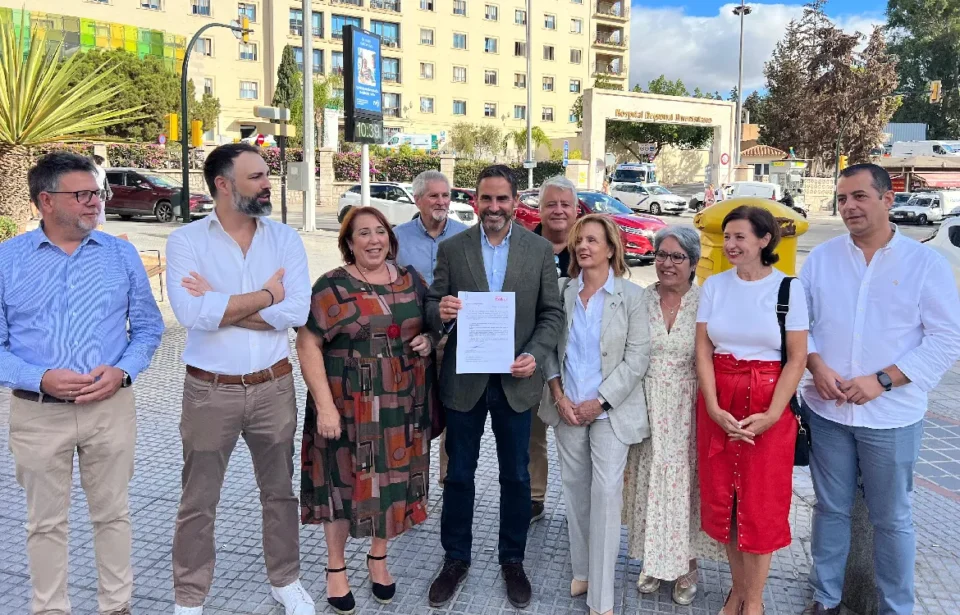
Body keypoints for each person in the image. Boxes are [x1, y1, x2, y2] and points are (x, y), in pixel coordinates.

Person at [1, 152, 164, 615]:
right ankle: (50, 609)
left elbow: (148, 328)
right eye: (84, 194)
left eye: (98, 192)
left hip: (110, 410)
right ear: (45, 202)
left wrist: (124, 370)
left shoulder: (120, 253)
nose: (96, 202)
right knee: (44, 524)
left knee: (113, 516)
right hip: (37, 414)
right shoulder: (7, 260)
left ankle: (117, 606)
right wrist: (40, 378)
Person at [799, 164, 960, 615]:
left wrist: (883, 380)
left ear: (888, 200)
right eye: (843, 198)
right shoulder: (824, 258)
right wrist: (816, 365)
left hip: (892, 417)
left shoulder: (925, 263)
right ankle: (825, 597)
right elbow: (799, 324)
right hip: (827, 411)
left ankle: (896, 608)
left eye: (859, 197)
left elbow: (947, 338)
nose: (848, 206)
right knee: (829, 509)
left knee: (893, 520)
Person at [165, 143, 314, 615]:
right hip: (210, 390)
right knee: (198, 498)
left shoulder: (284, 239)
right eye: (256, 177)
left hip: (274, 387)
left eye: (265, 175)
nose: (268, 183)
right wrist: (267, 294)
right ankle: (189, 598)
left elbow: (298, 310)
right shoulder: (186, 241)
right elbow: (191, 312)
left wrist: (224, 303)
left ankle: (285, 581)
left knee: (281, 492)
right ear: (223, 185)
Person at [425, 164, 564, 609]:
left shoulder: (539, 250)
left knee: (516, 477)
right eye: (486, 199)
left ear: (516, 203)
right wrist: (441, 311)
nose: (494, 207)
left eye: (502, 199)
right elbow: (432, 304)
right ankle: (455, 559)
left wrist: (536, 355)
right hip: (465, 381)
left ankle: (513, 560)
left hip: (515, 381)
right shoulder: (453, 248)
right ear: (475, 201)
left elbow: (552, 314)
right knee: (459, 475)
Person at [298, 206, 438, 615]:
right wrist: (324, 406)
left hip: (401, 406)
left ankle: (378, 559)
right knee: (340, 487)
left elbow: (429, 326)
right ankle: (335, 568)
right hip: (346, 405)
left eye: (380, 232)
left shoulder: (413, 281)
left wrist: (428, 340)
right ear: (349, 243)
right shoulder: (331, 287)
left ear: (390, 239)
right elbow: (308, 344)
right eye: (363, 233)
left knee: (393, 484)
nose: (374, 240)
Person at [695, 205, 808, 615]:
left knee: (760, 506)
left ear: (765, 240)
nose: (730, 245)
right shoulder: (715, 286)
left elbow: (796, 359)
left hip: (767, 405)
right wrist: (711, 403)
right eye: (727, 237)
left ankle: (755, 600)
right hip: (719, 402)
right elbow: (703, 350)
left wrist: (775, 414)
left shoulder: (788, 289)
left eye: (740, 237)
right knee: (727, 502)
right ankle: (737, 591)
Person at [540, 214, 650, 615]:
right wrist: (558, 392)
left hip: (610, 412)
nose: (583, 246)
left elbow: (638, 358)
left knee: (605, 494)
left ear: (610, 248)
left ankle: (601, 597)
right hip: (566, 406)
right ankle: (583, 570)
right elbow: (548, 346)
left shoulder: (632, 297)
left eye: (592, 240)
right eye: (578, 240)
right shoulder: (561, 290)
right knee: (575, 488)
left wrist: (599, 402)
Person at [623, 226, 722, 606]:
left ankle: (686, 566)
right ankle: (653, 560)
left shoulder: (706, 301)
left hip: (690, 405)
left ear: (693, 262)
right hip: (647, 404)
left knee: (686, 485)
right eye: (661, 254)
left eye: (677, 257)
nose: (667, 263)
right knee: (649, 482)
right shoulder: (640, 299)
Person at [393, 170, 468, 487]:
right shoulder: (397, 237)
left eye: (446, 195)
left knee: (454, 412)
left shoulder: (467, 236)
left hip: (456, 340)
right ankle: (413, 485)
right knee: (416, 412)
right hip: (414, 342)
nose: (441, 202)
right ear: (418, 199)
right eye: (434, 195)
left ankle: (449, 481)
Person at [528, 175, 578, 523]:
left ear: (576, 210)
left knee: (579, 441)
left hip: (578, 364)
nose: (558, 211)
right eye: (551, 204)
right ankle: (533, 498)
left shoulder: (592, 245)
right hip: (532, 359)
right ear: (540, 209)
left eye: (565, 204)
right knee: (531, 436)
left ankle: (583, 509)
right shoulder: (523, 247)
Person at [92, 154, 113, 228]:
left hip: (95, 192)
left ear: (94, 161)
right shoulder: (102, 170)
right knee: (100, 210)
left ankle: (95, 227)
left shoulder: (94, 170)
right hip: (102, 192)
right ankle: (100, 227)